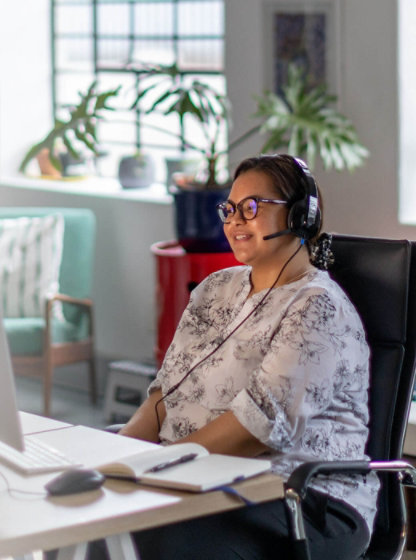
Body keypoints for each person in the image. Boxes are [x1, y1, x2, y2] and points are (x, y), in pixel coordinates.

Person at [112, 154, 376, 558]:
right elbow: (163, 397)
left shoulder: (317, 307)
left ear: (298, 215)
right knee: (91, 530)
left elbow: (258, 427)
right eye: (229, 209)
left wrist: (159, 467)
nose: (234, 220)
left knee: (157, 544)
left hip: (304, 499)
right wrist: (117, 465)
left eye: (251, 207)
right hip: (203, 480)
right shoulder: (215, 288)